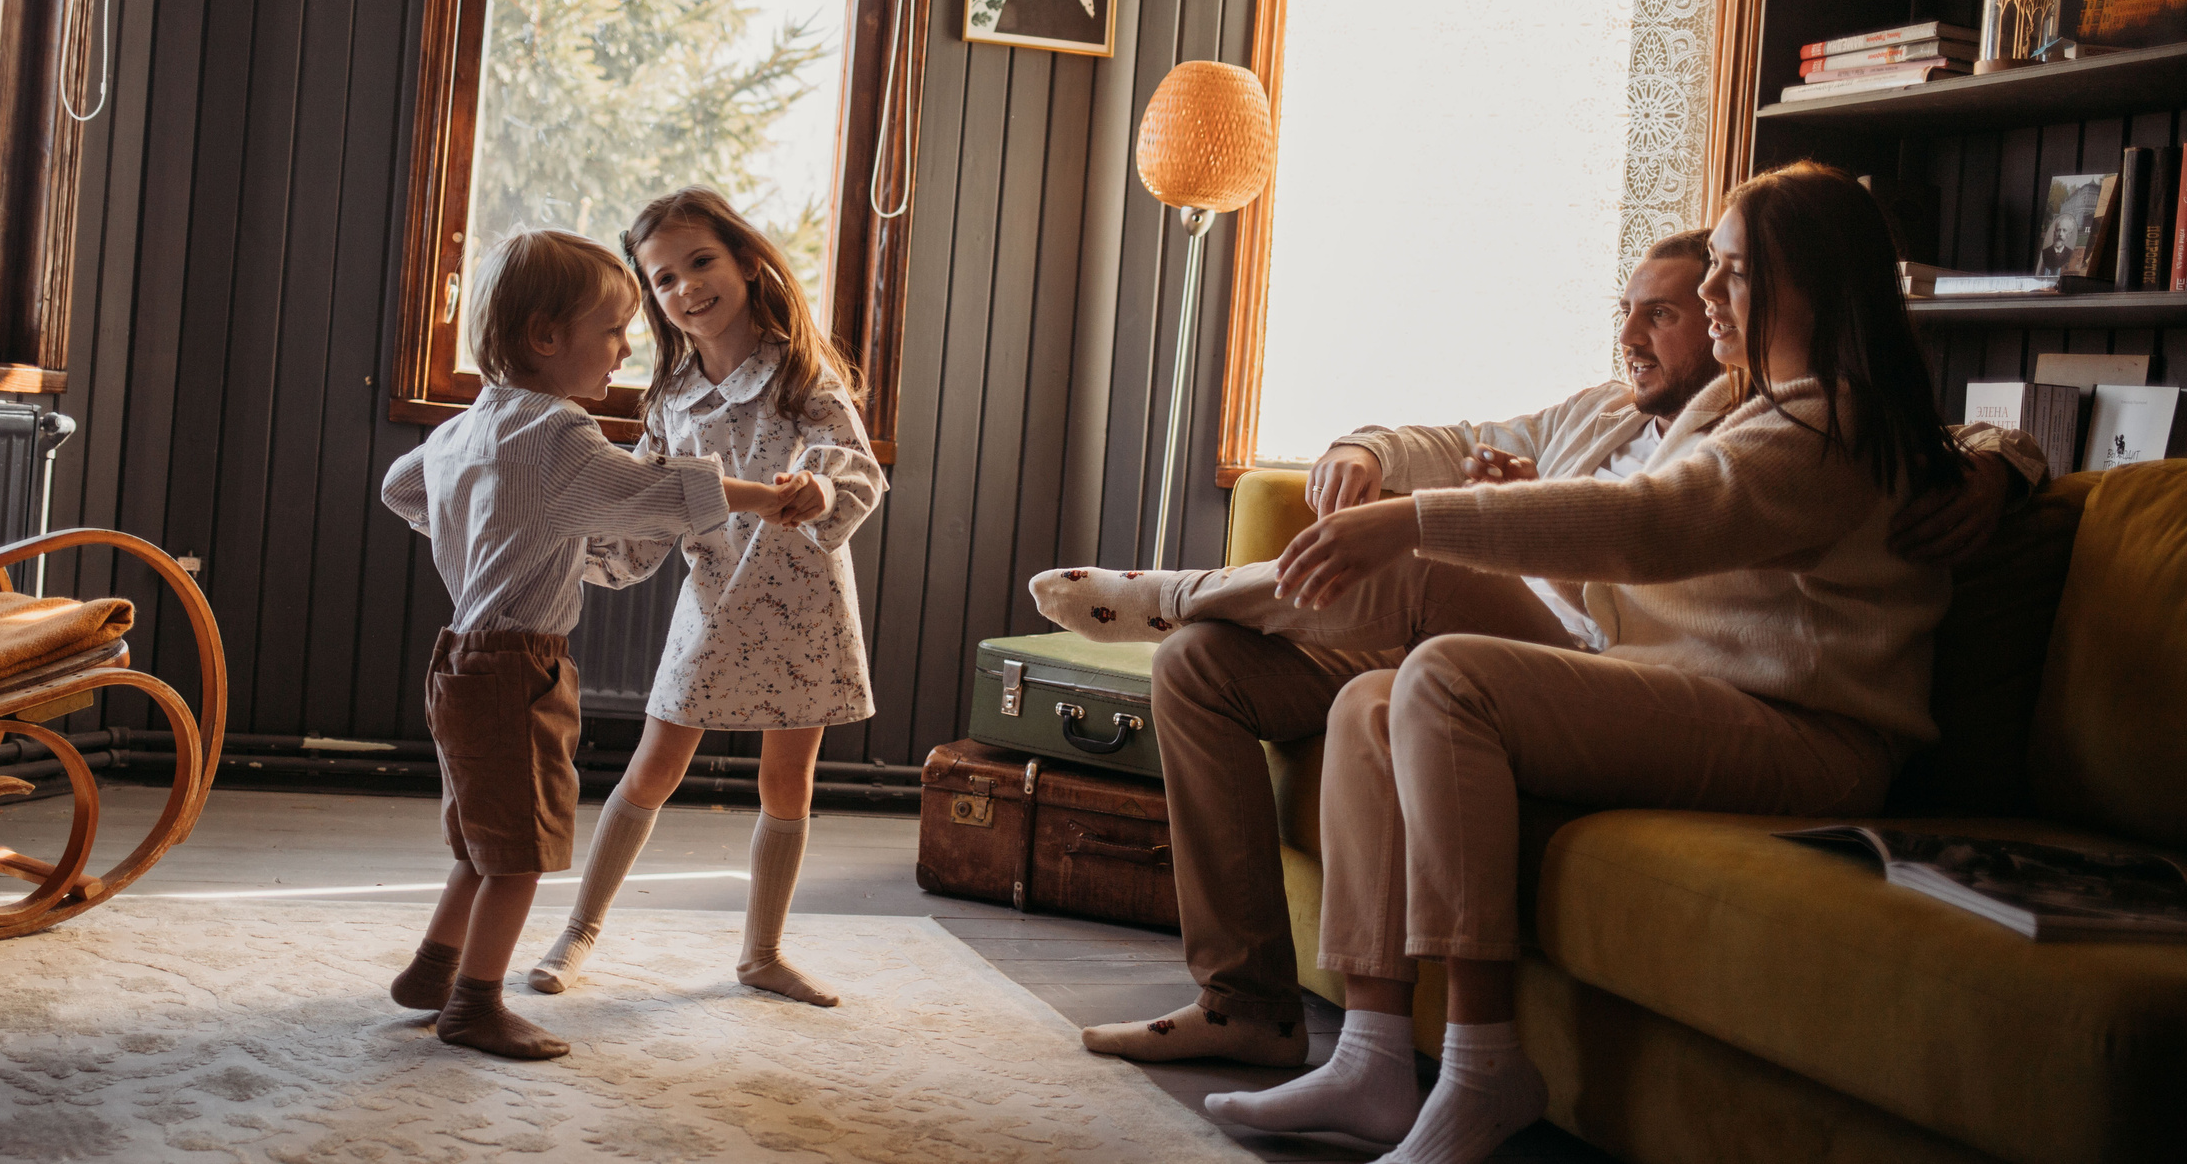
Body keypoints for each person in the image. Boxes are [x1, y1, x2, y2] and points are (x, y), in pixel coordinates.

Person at [1034, 218, 2041, 1082]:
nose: (1632, 332)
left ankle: (1176, 589)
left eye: (1667, 309)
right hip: (1488, 637)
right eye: (1628, 307)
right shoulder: (1597, 410)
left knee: (1414, 562)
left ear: (1732, 317)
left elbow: (1930, 441)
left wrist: (2006, 469)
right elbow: (1455, 434)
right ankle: (1245, 1001)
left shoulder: (1769, 414)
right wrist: (1367, 450)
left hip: (1583, 664)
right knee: (1198, 669)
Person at [377, 229, 794, 1060]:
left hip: (459, 656)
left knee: (482, 837)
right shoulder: (557, 434)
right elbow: (653, 492)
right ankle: (475, 1004)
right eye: (613, 331)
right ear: (545, 338)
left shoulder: (472, 425)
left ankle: (432, 971)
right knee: (521, 853)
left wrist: (478, 523)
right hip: (519, 666)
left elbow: (401, 487)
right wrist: (767, 499)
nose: (627, 347)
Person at [528, 187, 884, 1008]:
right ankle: (578, 931)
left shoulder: (801, 373)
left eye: (700, 263)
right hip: (713, 599)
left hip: (804, 604)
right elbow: (645, 510)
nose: (686, 287)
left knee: (786, 786)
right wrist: (572, 543)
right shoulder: (668, 398)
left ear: (747, 263)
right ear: (651, 297)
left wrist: (820, 493)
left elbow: (855, 465)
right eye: (663, 279)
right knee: (651, 768)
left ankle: (762, 954)